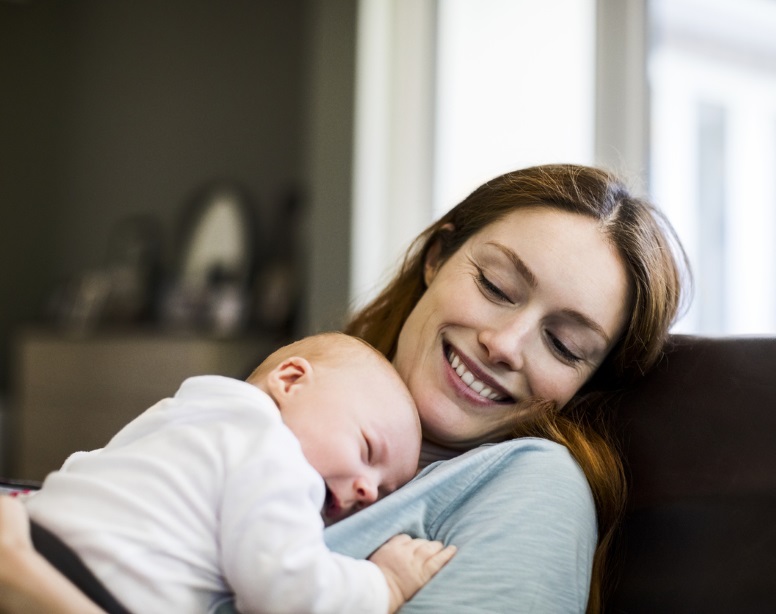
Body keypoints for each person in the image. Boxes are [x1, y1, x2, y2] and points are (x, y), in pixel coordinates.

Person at [0, 163, 688, 614]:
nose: (506, 345)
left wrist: (35, 589)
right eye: (496, 286)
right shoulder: (285, 412)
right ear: (437, 258)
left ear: (586, 383)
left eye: (565, 345)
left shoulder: (532, 486)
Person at [20, 332, 457, 614]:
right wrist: (386, 583)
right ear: (289, 381)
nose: (367, 488)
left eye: (383, 491)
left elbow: (88, 465)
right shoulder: (273, 451)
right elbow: (289, 592)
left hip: (37, 535)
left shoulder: (187, 412)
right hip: (92, 586)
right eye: (366, 449)